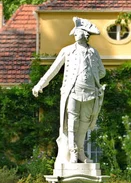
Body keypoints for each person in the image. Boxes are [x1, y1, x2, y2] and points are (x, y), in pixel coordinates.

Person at [33, 17, 106, 164]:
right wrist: (40, 84)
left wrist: (92, 74)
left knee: (85, 122)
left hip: (90, 92)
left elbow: (102, 72)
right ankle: (72, 152)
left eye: (78, 32)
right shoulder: (67, 51)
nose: (75, 34)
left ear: (86, 35)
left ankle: (80, 152)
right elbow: (53, 69)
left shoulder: (93, 52)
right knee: (71, 122)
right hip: (72, 90)